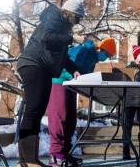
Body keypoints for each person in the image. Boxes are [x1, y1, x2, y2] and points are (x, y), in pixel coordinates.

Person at [16, 0, 86, 167]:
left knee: (37, 112)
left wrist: (74, 69)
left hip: (43, 68)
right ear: (70, 14)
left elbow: (61, 57)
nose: (77, 22)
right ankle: (27, 161)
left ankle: (28, 160)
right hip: (34, 64)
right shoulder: (54, 16)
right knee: (33, 111)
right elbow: (47, 37)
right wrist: (71, 39)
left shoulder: (63, 28)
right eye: (77, 18)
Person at [47, 38, 116, 167]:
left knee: (71, 119)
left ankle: (65, 152)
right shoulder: (84, 50)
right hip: (60, 80)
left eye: (109, 56)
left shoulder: (93, 58)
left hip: (72, 85)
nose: (106, 58)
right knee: (59, 116)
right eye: (106, 54)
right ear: (100, 49)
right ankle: (55, 155)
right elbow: (67, 64)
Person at [123, 45, 140, 160]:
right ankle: (126, 152)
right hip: (129, 100)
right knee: (126, 125)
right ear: (135, 55)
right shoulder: (128, 68)